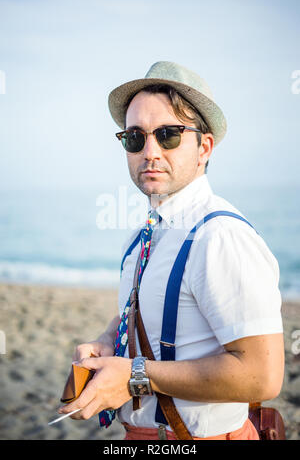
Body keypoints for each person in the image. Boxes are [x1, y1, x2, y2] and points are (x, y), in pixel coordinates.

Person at [58, 61, 284, 440]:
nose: (149, 151)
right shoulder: (146, 234)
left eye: (168, 134)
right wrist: (107, 342)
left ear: (204, 147)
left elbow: (263, 375)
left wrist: (134, 376)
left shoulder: (220, 236)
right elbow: (150, 309)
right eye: (135, 137)